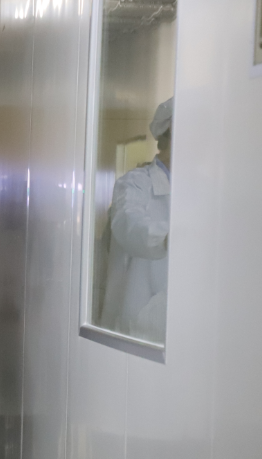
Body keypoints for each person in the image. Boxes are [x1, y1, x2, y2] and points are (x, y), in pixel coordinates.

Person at [100, 97, 173, 343]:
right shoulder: (135, 183)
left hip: (180, 324)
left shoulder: (202, 188)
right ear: (171, 130)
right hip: (136, 321)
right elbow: (127, 224)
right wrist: (167, 238)